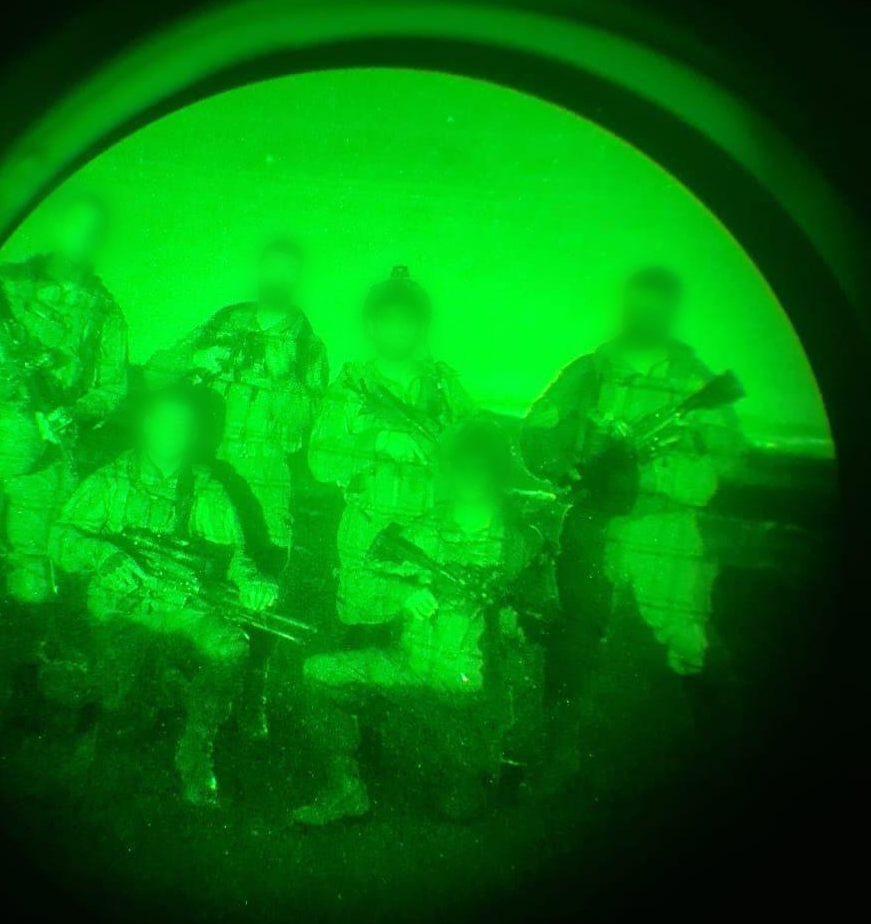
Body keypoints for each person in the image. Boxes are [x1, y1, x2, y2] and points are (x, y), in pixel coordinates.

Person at [519, 266, 745, 759]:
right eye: (636, 304)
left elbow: (729, 455)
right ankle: (554, 749)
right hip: (595, 520)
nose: (644, 315)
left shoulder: (694, 380)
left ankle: (728, 751)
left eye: (655, 306)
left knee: (688, 638)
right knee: (576, 634)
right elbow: (535, 432)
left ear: (669, 311)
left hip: (666, 525)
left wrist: (678, 448)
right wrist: (561, 466)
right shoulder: (588, 371)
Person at [295, 418, 550, 826]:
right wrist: (405, 594)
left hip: (471, 687)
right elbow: (365, 578)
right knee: (319, 674)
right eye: (464, 466)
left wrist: (506, 617)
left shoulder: (520, 543)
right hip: (408, 666)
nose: (471, 477)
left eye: (482, 467)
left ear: (497, 472)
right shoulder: (428, 527)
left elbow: (539, 623)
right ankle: (345, 788)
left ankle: (480, 761)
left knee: (461, 800)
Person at [50, 385, 278, 807]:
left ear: (193, 433)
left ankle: (195, 753)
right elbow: (61, 537)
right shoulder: (112, 480)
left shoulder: (207, 488)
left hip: (184, 607)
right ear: (146, 425)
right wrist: (102, 554)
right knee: (114, 694)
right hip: (121, 607)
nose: (171, 431)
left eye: (182, 425)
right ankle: (90, 739)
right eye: (163, 421)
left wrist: (253, 583)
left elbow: (236, 556)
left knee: (230, 647)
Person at [146, 237, 328, 735]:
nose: (277, 280)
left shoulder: (309, 348)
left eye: (287, 271)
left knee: (260, 593)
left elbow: (301, 434)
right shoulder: (223, 322)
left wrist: (282, 379)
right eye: (270, 268)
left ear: (297, 279)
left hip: (264, 489)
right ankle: (178, 687)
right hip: (204, 474)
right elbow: (157, 375)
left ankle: (252, 697)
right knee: (188, 574)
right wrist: (198, 356)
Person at [0, 195, 128, 611]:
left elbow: (113, 388)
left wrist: (74, 414)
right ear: (58, 228)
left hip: (47, 450)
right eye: (76, 226)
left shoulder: (105, 312)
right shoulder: (3, 285)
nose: (83, 238)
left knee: (34, 583)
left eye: (93, 232)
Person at [308, 265, 473, 627]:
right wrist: (378, 441)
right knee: (367, 627)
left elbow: (477, 451)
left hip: (434, 536)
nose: (397, 329)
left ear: (422, 326)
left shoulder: (444, 387)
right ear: (370, 326)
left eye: (407, 320)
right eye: (387, 320)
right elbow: (320, 460)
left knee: (431, 633)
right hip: (369, 537)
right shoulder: (352, 387)